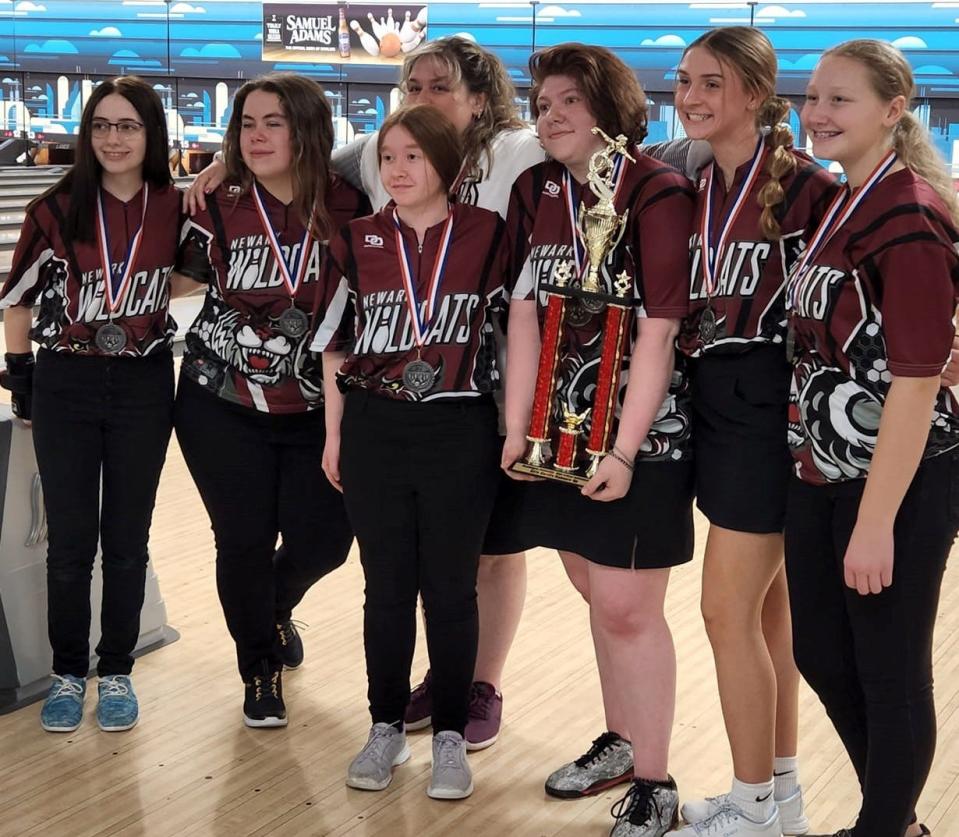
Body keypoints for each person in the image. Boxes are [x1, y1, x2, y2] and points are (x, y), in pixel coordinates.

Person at [186, 36, 542, 751]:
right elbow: (308, 149)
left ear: (480, 98)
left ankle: (476, 682)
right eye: (410, 85)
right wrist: (234, 154)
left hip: (475, 394)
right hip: (303, 397)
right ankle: (269, 659)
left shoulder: (518, 155)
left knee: (476, 555)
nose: (418, 99)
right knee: (329, 560)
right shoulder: (371, 164)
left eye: (437, 86)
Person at [503, 43, 695, 837]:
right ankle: (621, 742)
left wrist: (620, 448)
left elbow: (658, 330)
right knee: (594, 588)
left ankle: (655, 782)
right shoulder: (534, 188)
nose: (549, 116)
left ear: (609, 109)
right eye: (541, 103)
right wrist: (519, 431)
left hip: (641, 435)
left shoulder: (656, 190)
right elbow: (520, 312)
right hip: (556, 427)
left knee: (625, 604)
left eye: (567, 102)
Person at [668, 27, 841, 836]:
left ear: (755, 93)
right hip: (716, 407)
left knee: (723, 613)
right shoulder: (696, 182)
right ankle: (778, 796)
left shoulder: (809, 187)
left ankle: (748, 806)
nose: (691, 96)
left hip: (771, 417)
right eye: (683, 81)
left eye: (710, 82)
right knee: (767, 618)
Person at [786, 39, 959, 837]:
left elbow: (919, 380)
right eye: (812, 96)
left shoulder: (910, 213)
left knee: (889, 674)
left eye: (839, 100)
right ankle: (897, 823)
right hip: (819, 470)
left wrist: (875, 519)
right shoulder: (836, 199)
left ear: (893, 110)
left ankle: (882, 826)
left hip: (898, 481)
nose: (816, 113)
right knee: (821, 655)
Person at [313, 103, 509, 800]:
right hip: (375, 425)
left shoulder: (489, 234)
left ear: (446, 166)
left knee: (451, 589)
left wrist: (514, 425)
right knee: (386, 587)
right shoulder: (357, 238)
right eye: (387, 157)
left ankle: (451, 733)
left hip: (459, 427)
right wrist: (335, 435)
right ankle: (385, 724)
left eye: (413, 157)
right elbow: (335, 346)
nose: (397, 170)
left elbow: (518, 331)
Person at [172, 73, 369, 728]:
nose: (256, 136)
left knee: (324, 542)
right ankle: (259, 666)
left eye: (273, 123)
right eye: (246, 124)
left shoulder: (354, 203)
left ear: (308, 130)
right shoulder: (215, 201)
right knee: (242, 540)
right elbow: (173, 273)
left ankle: (274, 605)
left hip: (319, 409)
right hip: (218, 399)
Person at [0, 76, 182, 733]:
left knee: (128, 539)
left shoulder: (173, 205)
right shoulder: (56, 205)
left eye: (127, 125)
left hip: (142, 383)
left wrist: (136, 296)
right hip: (67, 385)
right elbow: (16, 296)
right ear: (87, 133)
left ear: (149, 133)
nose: (113, 137)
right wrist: (21, 376)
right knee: (70, 542)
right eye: (102, 125)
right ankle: (69, 671)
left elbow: (189, 271)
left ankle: (118, 671)